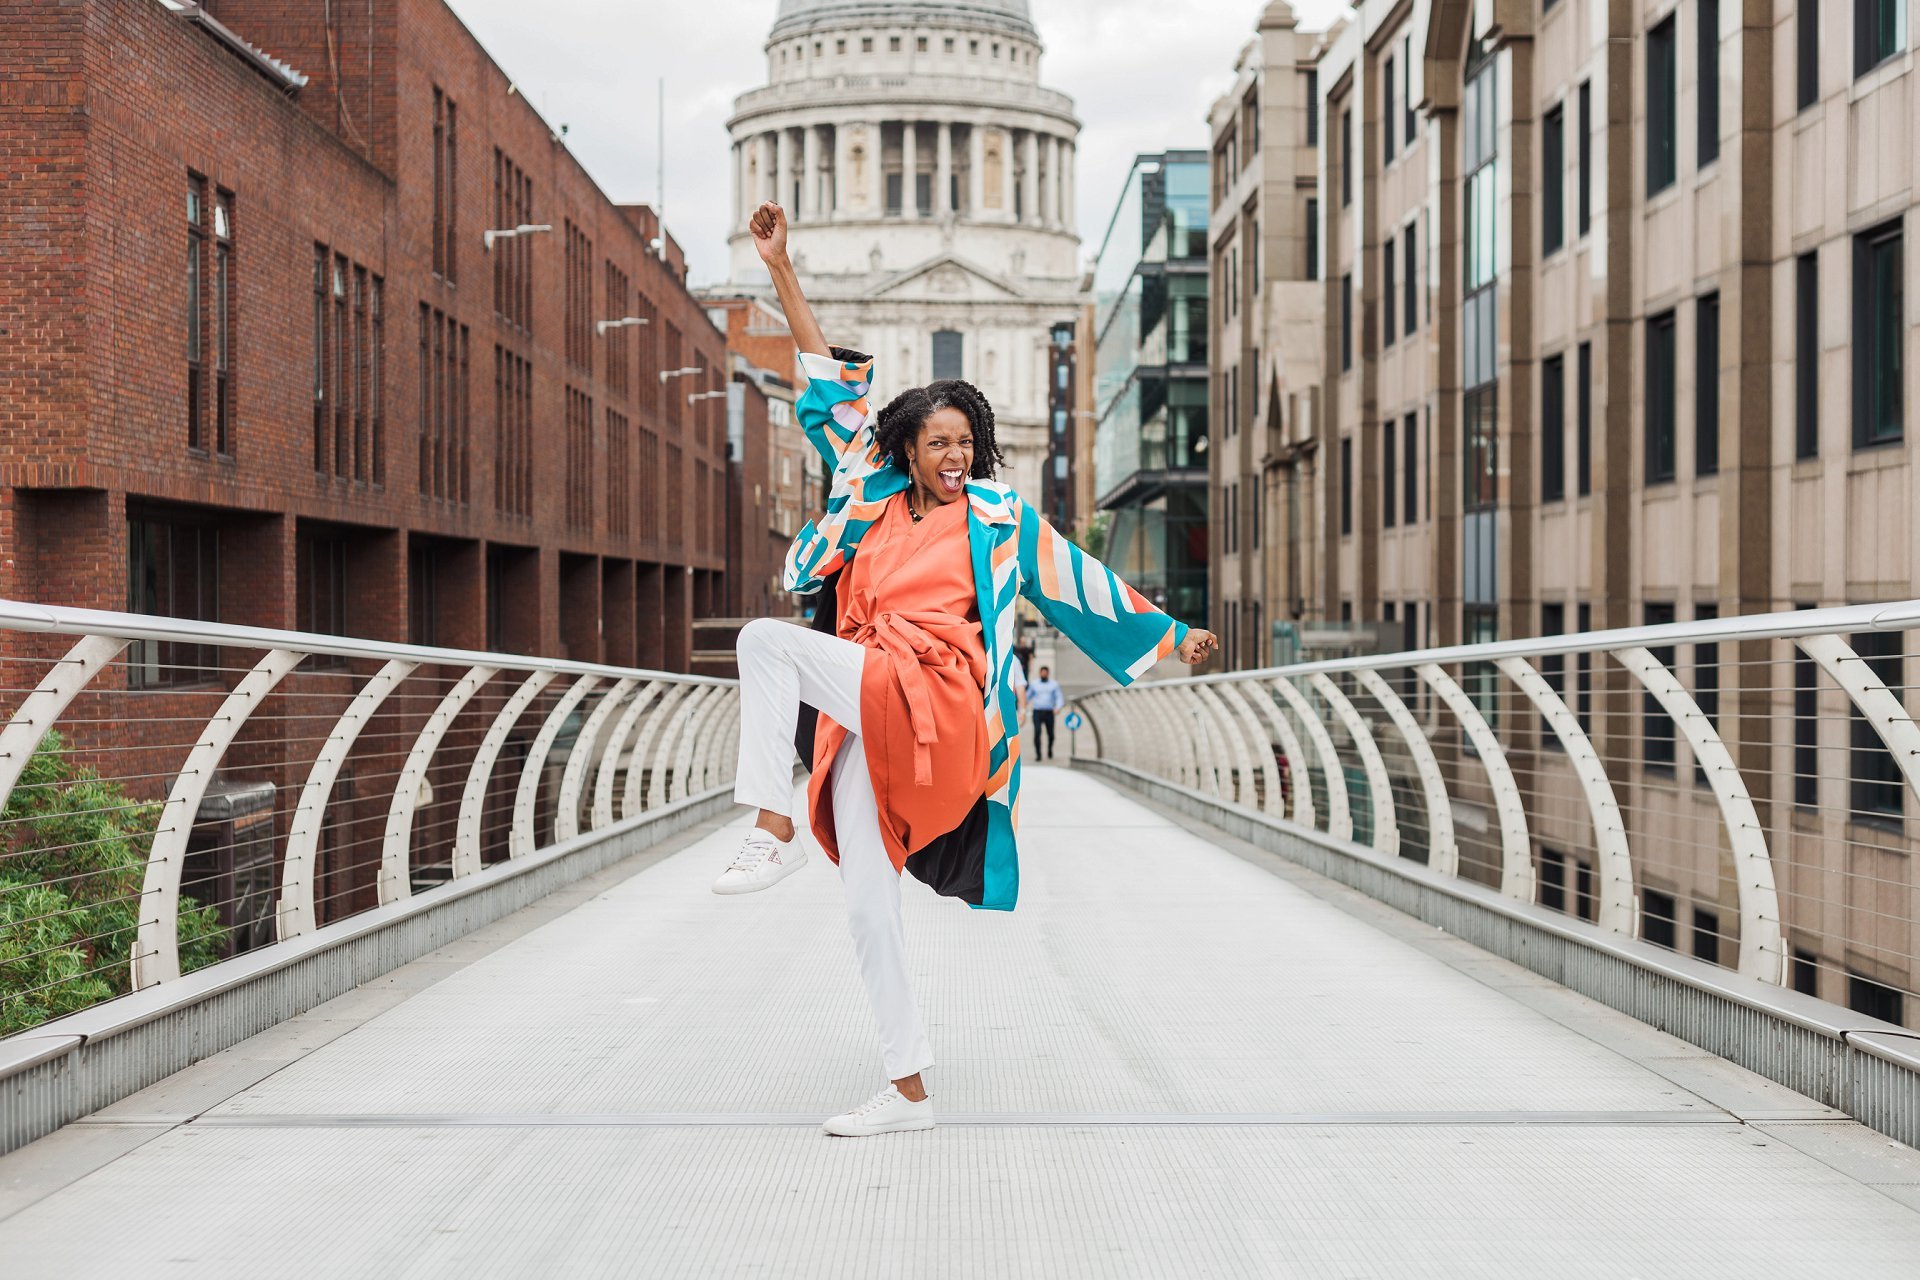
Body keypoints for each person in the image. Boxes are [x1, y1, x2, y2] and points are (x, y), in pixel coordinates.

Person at [717, 202, 1217, 1138]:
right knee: (867, 905)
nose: (954, 457)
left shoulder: (998, 516)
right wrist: (782, 270)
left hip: (940, 700)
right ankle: (907, 1090)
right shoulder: (864, 493)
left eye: (964, 443)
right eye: (937, 443)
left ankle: (771, 824)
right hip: (867, 698)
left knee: (761, 641)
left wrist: (1174, 633)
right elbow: (824, 381)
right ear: (903, 444)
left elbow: (1083, 584)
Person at [1025, 665, 1063, 761]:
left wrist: (1058, 707)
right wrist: (1022, 706)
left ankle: (1050, 749)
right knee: (1037, 732)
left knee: (1051, 734)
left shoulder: (1054, 684)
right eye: (1042, 672)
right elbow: (1027, 696)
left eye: (1045, 672)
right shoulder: (1034, 684)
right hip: (1037, 711)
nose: (1044, 674)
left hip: (1049, 712)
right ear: (1040, 673)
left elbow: (1059, 697)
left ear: (1048, 673)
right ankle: (1038, 754)